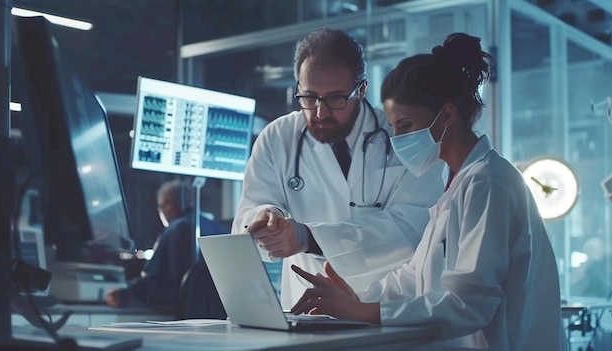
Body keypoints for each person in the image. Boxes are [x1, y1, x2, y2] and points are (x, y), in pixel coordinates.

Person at [291, 33, 566, 350]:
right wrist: (359, 299)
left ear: (447, 115)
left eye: (405, 126)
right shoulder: (456, 184)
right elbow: (412, 278)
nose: (397, 139)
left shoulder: (489, 182)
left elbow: (470, 303)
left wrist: (365, 311)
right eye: (393, 127)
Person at [232, 27, 446, 310]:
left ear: (362, 89)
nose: (320, 112)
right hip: (306, 311)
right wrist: (267, 219)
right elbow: (244, 222)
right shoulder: (277, 138)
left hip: (385, 308)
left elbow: (412, 230)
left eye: (335, 98)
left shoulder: (402, 136)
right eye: (309, 97)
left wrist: (308, 238)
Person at [105, 179, 227, 310]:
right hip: (221, 311)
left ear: (169, 204)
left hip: (190, 312)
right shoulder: (220, 230)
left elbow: (157, 281)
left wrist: (124, 294)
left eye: (160, 207)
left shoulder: (176, 229)